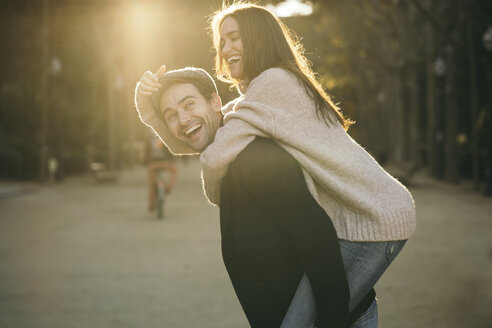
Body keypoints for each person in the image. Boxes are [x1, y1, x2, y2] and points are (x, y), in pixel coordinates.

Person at [136, 67, 374, 327]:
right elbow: (189, 135)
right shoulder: (225, 152)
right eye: (171, 116)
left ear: (216, 102)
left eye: (189, 104)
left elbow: (317, 236)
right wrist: (150, 114)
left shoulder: (252, 155)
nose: (182, 119)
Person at [145, 135, 178, 212]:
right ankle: (169, 187)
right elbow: (170, 151)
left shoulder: (149, 140)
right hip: (164, 163)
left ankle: (151, 205)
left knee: (152, 183)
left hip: (153, 164)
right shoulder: (164, 138)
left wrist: (145, 163)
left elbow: (146, 153)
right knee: (174, 170)